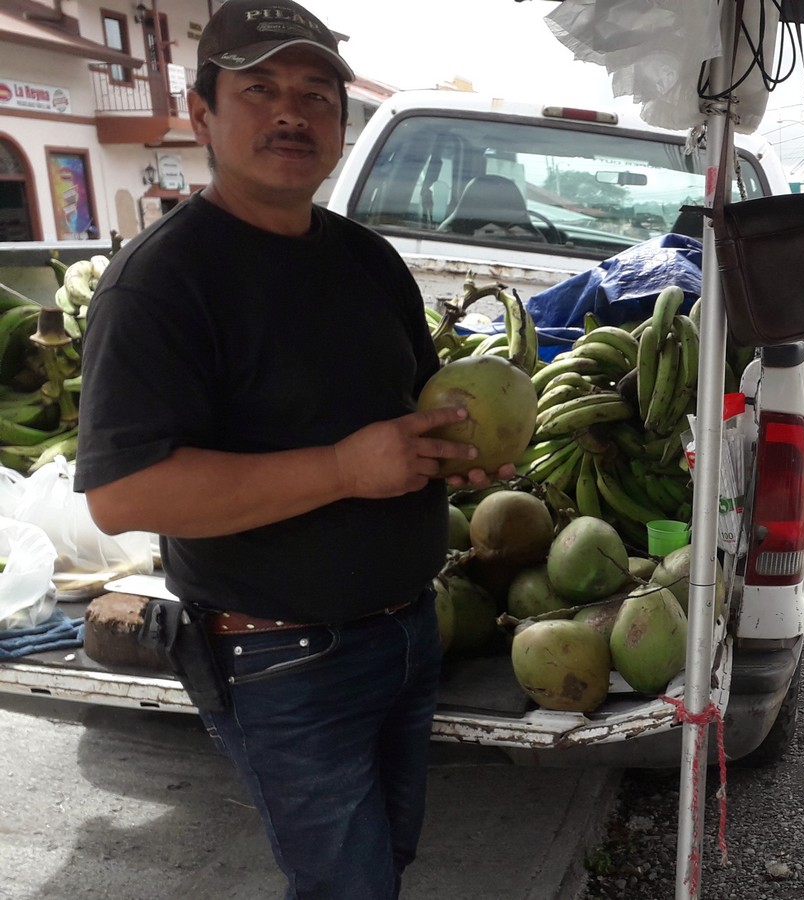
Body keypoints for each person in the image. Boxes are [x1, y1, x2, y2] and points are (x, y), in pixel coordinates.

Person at [73, 2, 512, 897]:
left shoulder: (368, 261)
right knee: (348, 885)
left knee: (384, 865)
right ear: (202, 114)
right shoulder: (161, 283)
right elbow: (123, 495)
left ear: (340, 126)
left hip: (407, 629)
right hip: (282, 656)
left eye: (316, 96)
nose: (291, 114)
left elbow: (411, 412)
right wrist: (344, 470)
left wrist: (453, 454)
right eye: (260, 90)